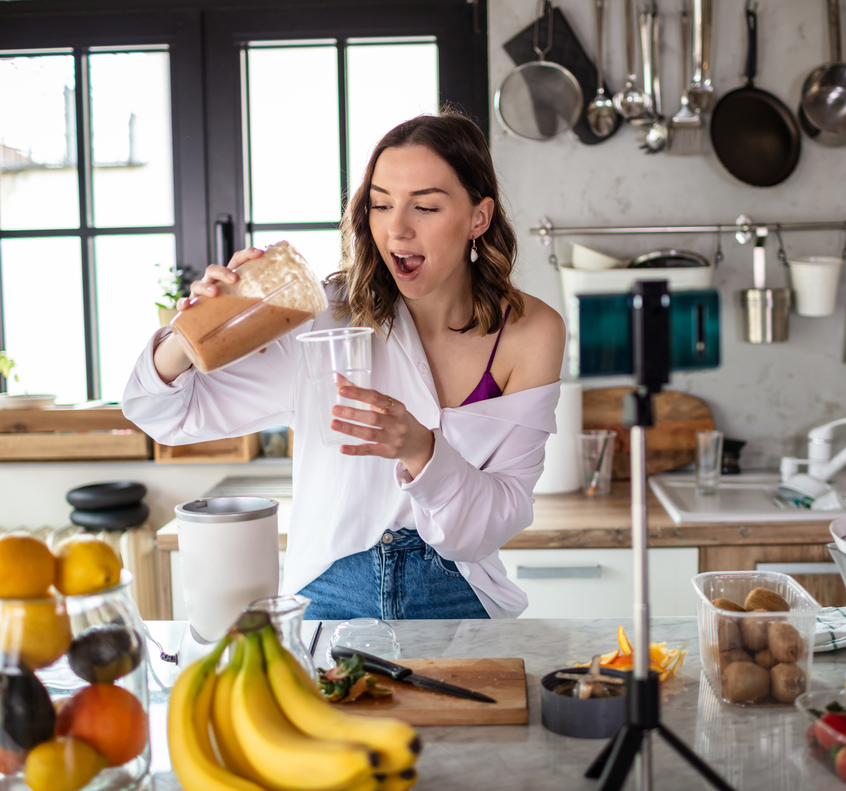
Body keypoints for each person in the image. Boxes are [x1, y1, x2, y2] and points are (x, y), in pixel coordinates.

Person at [123, 112, 565, 620]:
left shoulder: (531, 332)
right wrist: (194, 329)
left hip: (459, 593)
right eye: (380, 205)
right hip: (327, 590)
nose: (397, 227)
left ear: (478, 217)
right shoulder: (322, 316)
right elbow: (160, 414)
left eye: (424, 206)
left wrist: (422, 449)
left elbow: (495, 520)